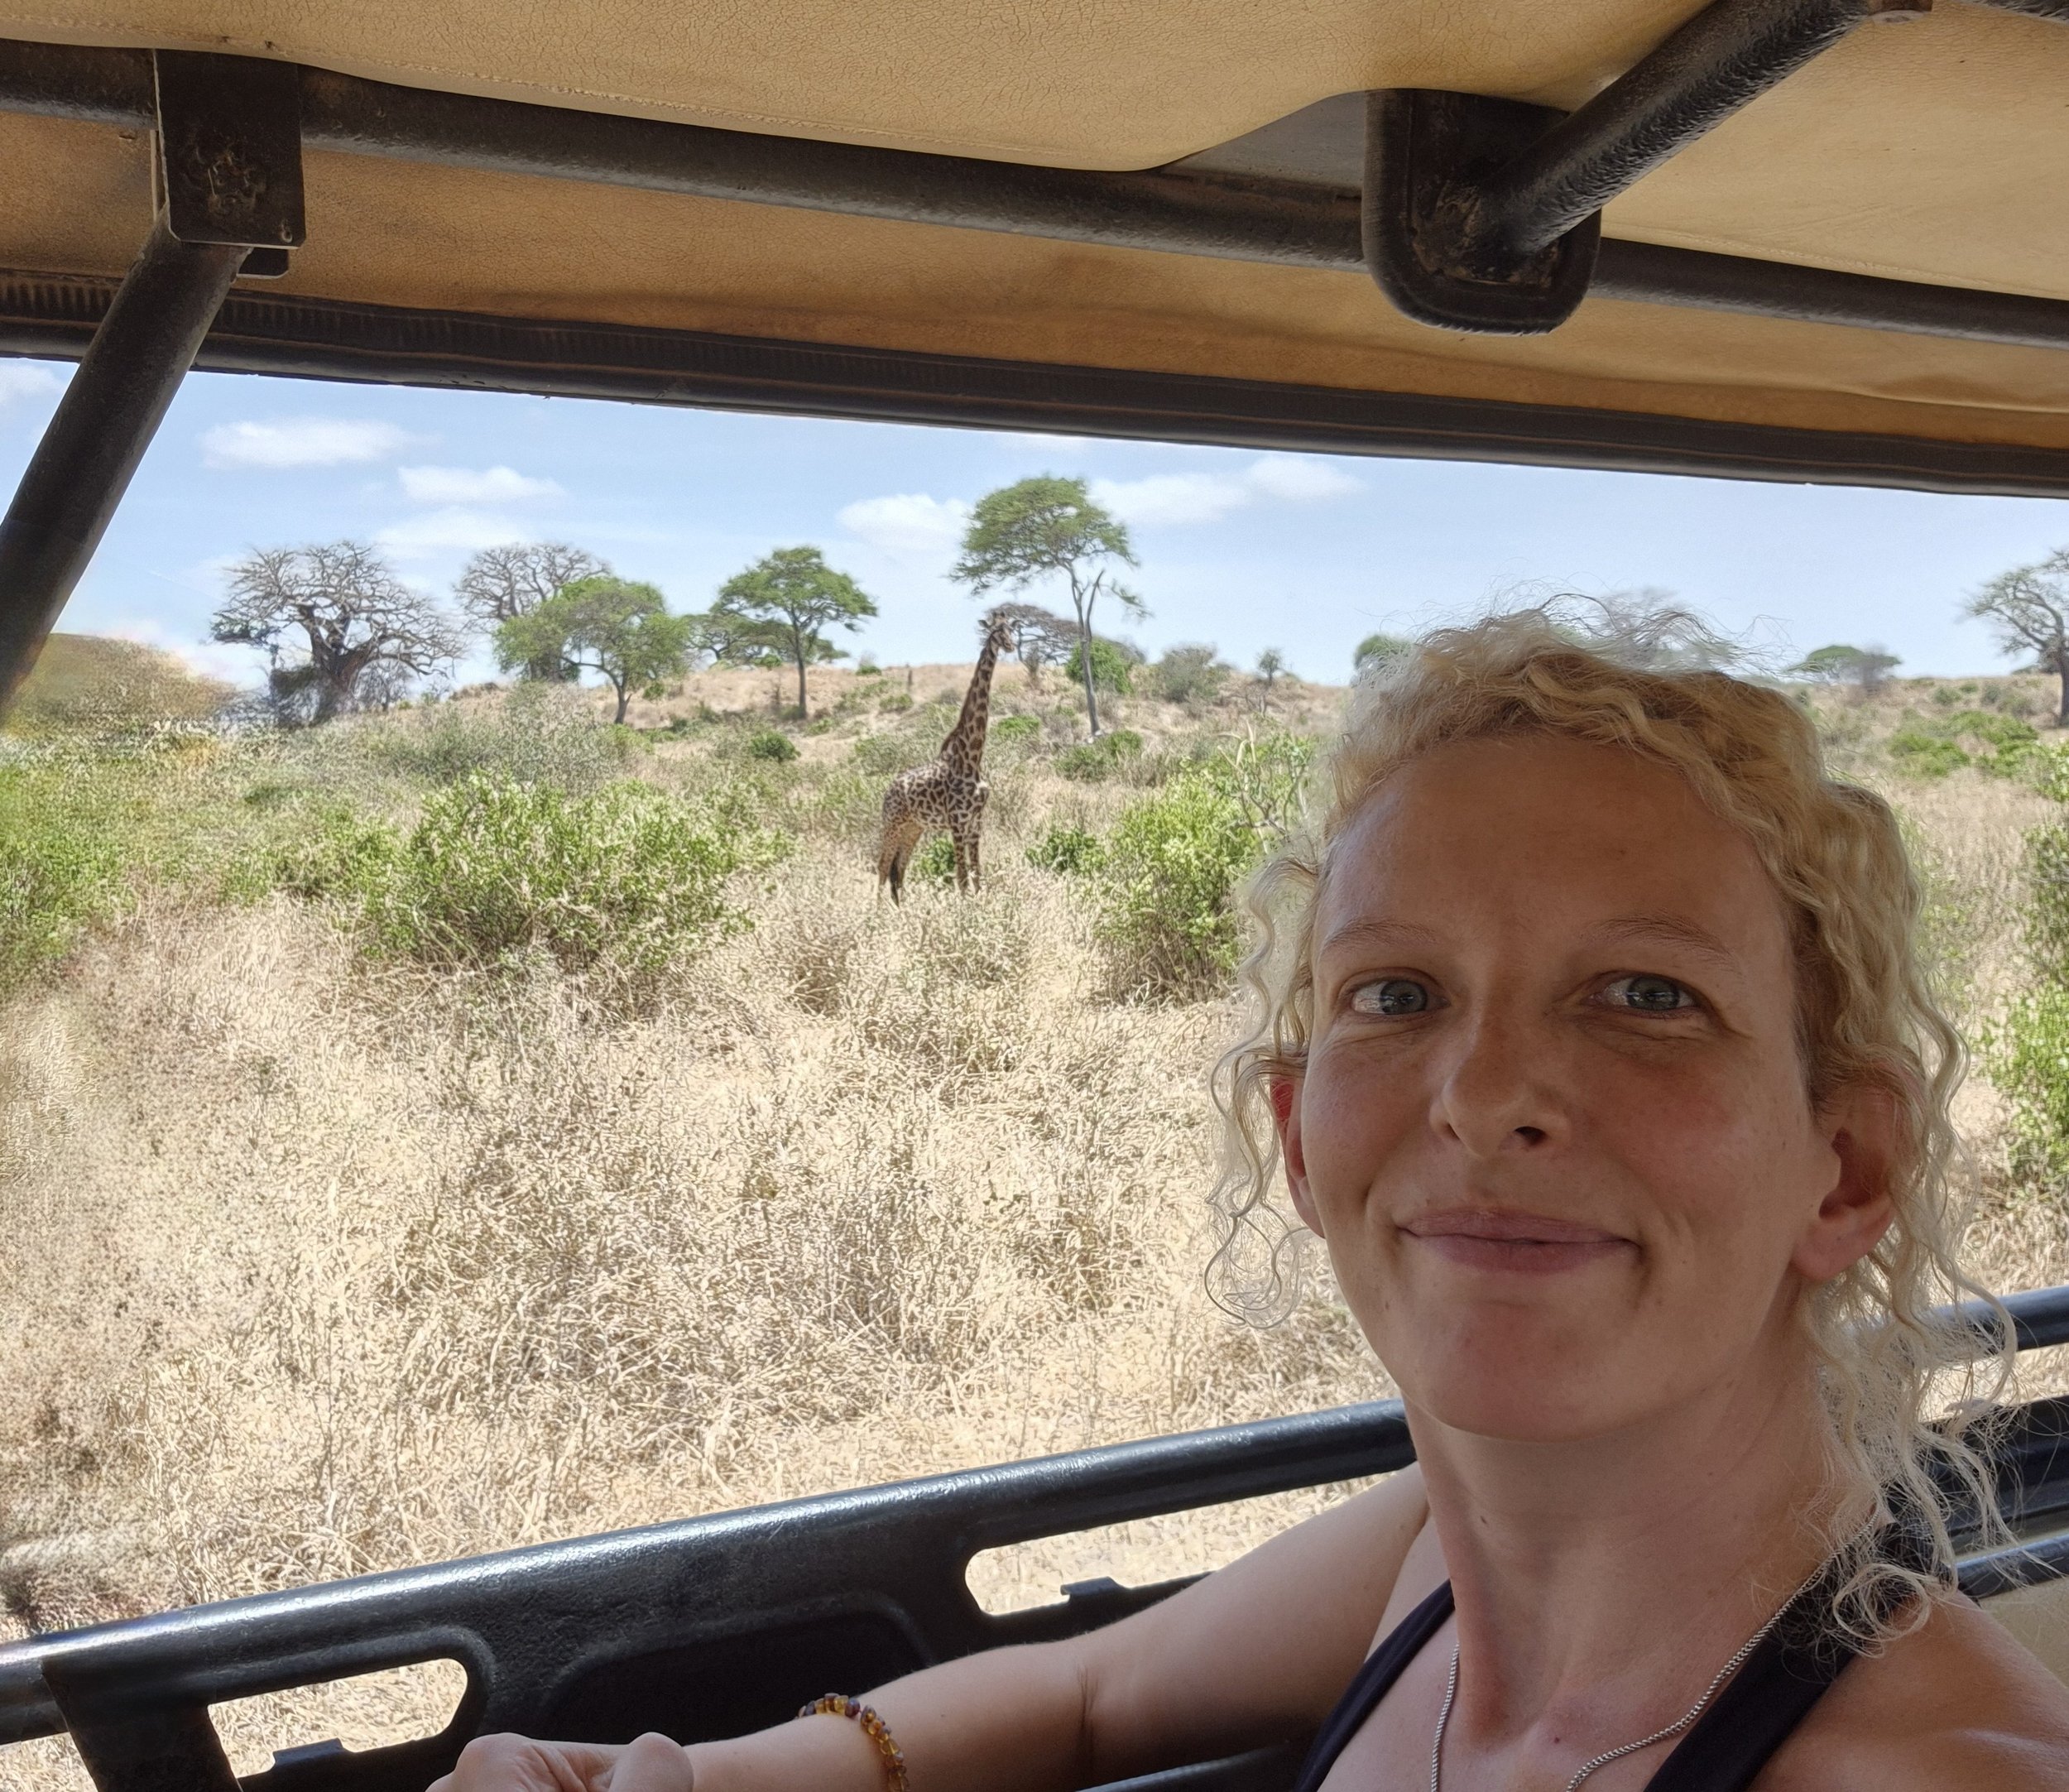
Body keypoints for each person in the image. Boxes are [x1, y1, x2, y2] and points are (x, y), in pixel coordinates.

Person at [434, 613, 2069, 1791]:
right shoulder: (1435, 1563)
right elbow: (1086, 1690)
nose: (1483, 1094)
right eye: (1394, 993)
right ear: (1297, 1135)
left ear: (1842, 1166)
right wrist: (690, 1775)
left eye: (1643, 995)